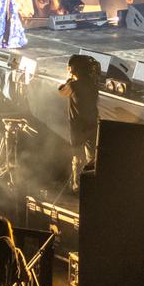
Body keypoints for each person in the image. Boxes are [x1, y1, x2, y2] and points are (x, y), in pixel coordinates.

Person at [57, 55, 100, 193]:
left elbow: (61, 92)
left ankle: (77, 186)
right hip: (92, 125)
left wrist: (69, 80)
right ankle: (92, 186)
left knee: (77, 158)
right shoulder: (93, 85)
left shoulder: (73, 85)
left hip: (78, 128)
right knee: (92, 158)